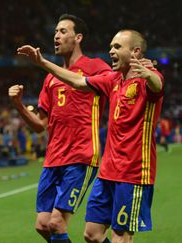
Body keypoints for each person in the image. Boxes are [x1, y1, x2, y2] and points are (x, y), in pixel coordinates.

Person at [17, 29, 163, 243]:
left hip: (133, 172)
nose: (111, 50)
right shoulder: (112, 80)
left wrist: (149, 74)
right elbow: (77, 82)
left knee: (121, 236)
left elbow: (157, 85)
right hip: (107, 172)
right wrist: (42, 63)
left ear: (136, 51)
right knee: (92, 235)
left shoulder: (148, 79)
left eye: (117, 46)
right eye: (111, 46)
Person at [9, 14, 111, 243]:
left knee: (57, 223)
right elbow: (39, 126)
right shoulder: (50, 80)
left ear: (78, 37)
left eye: (63, 31)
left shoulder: (95, 67)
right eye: (55, 31)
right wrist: (18, 105)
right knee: (43, 225)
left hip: (81, 156)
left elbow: (117, 84)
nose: (56, 35)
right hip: (53, 158)